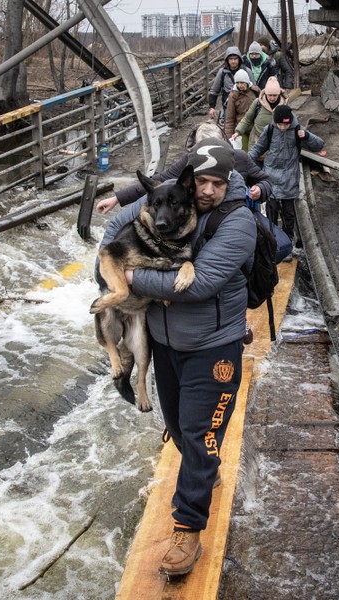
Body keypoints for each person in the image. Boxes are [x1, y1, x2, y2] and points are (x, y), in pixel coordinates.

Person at [99, 139, 256, 576]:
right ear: (189, 181)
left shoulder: (237, 222)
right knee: (177, 426)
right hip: (164, 344)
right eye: (201, 181)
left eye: (216, 182)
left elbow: (199, 285)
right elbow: (113, 237)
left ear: (228, 181)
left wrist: (127, 277)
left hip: (213, 348)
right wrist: (108, 267)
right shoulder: (170, 195)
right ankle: (204, 468)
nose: (207, 190)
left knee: (200, 433)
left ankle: (187, 530)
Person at [95, 121, 272, 214]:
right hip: (201, 216)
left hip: (236, 214)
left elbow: (265, 180)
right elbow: (158, 181)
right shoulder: (190, 160)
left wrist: (260, 190)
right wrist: (117, 199)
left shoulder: (239, 158)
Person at [248, 104, 324, 252]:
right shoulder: (269, 130)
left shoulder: (297, 130)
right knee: (271, 212)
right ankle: (272, 242)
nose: (283, 127)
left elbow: (319, 145)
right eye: (280, 124)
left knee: (289, 214)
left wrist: (307, 136)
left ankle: (288, 242)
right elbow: (258, 149)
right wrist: (244, 161)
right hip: (271, 176)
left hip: (289, 176)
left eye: (286, 124)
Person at [232, 76, 289, 151]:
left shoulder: (284, 106)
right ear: (265, 93)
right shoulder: (257, 103)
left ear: (279, 94)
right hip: (256, 141)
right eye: (270, 95)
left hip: (275, 143)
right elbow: (247, 119)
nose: (272, 98)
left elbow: (289, 123)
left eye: (275, 95)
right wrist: (238, 132)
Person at [207, 46, 252, 124]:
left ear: (239, 59)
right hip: (228, 106)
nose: (233, 61)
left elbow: (253, 88)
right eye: (231, 59)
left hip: (244, 106)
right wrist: (212, 107)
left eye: (235, 59)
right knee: (228, 127)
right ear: (227, 60)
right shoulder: (222, 72)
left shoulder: (247, 71)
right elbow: (214, 90)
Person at [225, 69, 259, 150]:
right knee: (244, 152)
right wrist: (229, 137)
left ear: (247, 82)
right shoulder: (233, 95)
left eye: (242, 83)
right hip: (241, 129)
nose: (240, 85)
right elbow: (230, 118)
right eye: (237, 83)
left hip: (255, 128)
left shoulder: (255, 91)